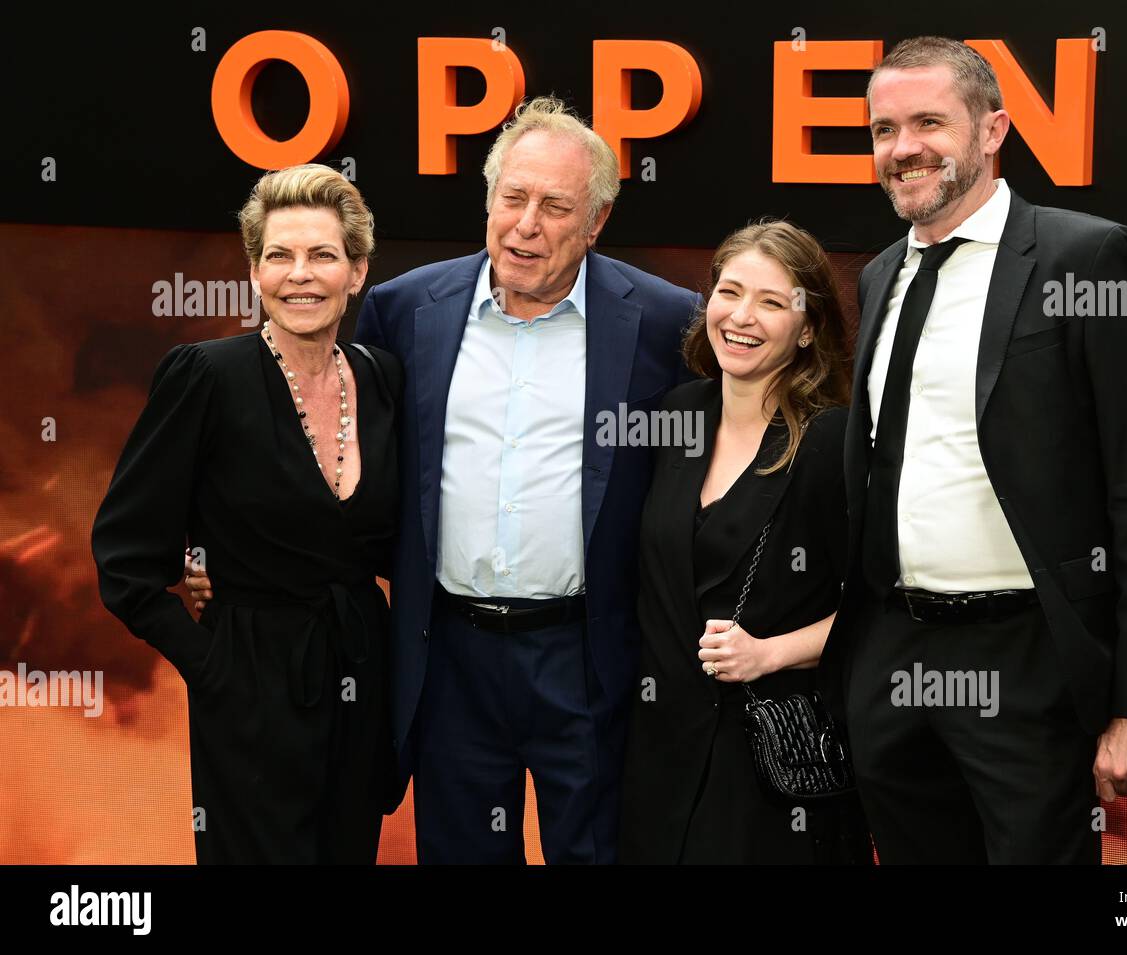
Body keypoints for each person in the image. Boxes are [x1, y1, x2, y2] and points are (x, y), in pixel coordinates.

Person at [820, 36, 1127, 864]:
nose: (904, 147)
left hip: (1027, 661)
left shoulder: (1087, 255)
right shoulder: (882, 274)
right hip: (892, 656)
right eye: (884, 129)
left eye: (929, 122)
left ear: (993, 131)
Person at [346, 96, 696, 863]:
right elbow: (352, 467)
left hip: (590, 655)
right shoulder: (404, 311)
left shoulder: (668, 323)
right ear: (489, 198)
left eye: (554, 206)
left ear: (597, 221)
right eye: (512, 198)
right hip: (451, 659)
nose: (526, 225)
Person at [92, 164, 405, 864]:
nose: (301, 275)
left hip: (358, 678)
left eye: (323, 255)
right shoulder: (207, 375)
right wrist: (214, 666)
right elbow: (125, 559)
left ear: (356, 272)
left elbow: (385, 541)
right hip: (252, 686)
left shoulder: (383, 376)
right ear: (255, 273)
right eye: (279, 256)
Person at [618, 221, 870, 864]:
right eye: (730, 292)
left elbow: (881, 606)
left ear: (808, 327)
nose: (742, 317)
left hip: (769, 764)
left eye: (772, 301)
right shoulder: (676, 414)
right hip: (659, 758)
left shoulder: (829, 442)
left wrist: (771, 653)